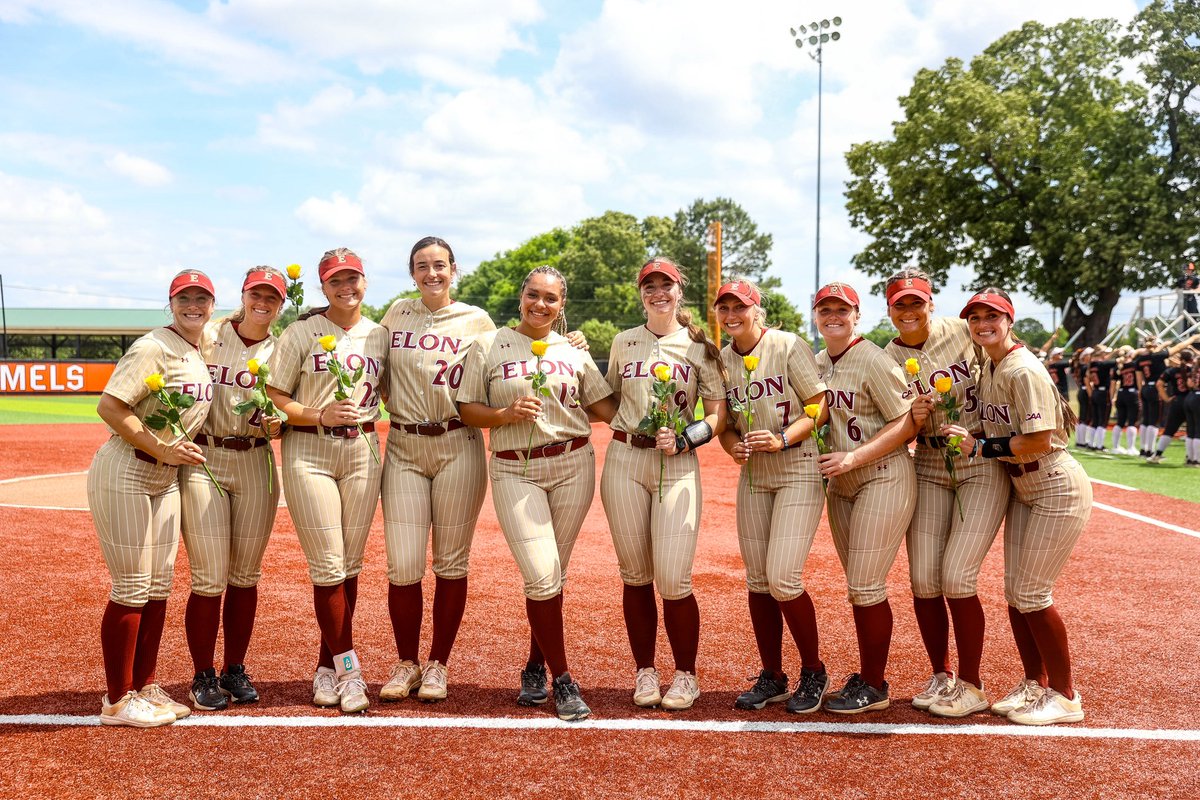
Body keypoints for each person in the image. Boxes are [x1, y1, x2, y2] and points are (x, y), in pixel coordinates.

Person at [457, 266, 617, 721]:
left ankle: (534, 666)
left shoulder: (573, 350)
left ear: (561, 305)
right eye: (533, 295)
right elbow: (467, 410)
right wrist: (504, 414)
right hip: (515, 468)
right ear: (521, 296)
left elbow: (607, 408)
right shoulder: (489, 344)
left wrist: (662, 396)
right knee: (542, 575)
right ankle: (563, 680)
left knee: (553, 576)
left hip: (573, 464)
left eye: (550, 298)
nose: (540, 304)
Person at [942, 288, 1091, 726]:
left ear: (1010, 320)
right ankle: (1034, 683)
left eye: (992, 316)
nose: (982, 324)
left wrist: (981, 447)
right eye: (975, 317)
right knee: (1016, 593)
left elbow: (1040, 439)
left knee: (1032, 593)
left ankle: (1065, 695)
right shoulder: (991, 363)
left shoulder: (1022, 368)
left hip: (1053, 483)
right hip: (1024, 484)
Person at [88, 269, 217, 727]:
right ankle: (117, 700)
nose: (193, 306)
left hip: (166, 478)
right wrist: (161, 448)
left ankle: (144, 686)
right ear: (171, 303)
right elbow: (110, 406)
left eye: (201, 298)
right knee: (131, 586)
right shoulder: (152, 346)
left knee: (159, 586)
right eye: (184, 298)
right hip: (128, 469)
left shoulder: (200, 347)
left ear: (212, 305)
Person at [265, 247, 388, 714]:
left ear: (365, 281)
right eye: (336, 280)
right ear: (322, 287)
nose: (346, 287)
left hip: (362, 449)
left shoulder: (380, 335)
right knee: (328, 566)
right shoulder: (301, 331)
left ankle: (325, 667)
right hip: (309, 450)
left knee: (349, 566)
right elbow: (275, 394)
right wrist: (318, 414)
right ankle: (351, 674)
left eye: (352, 278)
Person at [882, 270, 1010, 717]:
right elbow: (894, 423)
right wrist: (912, 419)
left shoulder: (963, 330)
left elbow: (1006, 356)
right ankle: (942, 674)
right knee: (923, 579)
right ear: (889, 310)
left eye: (916, 302)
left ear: (931, 303)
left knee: (957, 577)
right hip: (928, 460)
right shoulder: (887, 357)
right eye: (900, 304)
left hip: (978, 458)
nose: (909, 311)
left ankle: (972, 684)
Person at [601, 258, 726, 712]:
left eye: (666, 285)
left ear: (679, 290)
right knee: (635, 574)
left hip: (677, 464)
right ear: (641, 293)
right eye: (649, 285)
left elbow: (717, 413)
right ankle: (645, 670)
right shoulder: (624, 341)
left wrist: (688, 438)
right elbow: (610, 398)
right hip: (625, 459)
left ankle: (686, 674)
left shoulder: (699, 345)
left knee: (674, 577)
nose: (658, 292)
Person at [375, 237, 495, 704]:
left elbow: (515, 357)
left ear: (454, 269)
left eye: (440, 265)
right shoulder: (396, 314)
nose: (432, 273)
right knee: (403, 563)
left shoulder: (477, 320)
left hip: (457, 442)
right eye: (422, 266)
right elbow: (369, 362)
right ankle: (407, 662)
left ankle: (438, 664)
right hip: (404, 443)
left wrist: (570, 340)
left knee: (450, 562)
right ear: (411, 272)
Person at [713, 279, 831, 714]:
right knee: (758, 580)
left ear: (755, 309)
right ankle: (773, 675)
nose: (731, 315)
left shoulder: (787, 345)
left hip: (797, 465)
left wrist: (782, 438)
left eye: (739, 307)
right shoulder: (722, 360)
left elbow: (820, 407)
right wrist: (733, 447)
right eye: (724, 308)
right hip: (755, 475)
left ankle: (814, 671)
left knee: (783, 578)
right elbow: (726, 427)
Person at [811, 282, 921, 715]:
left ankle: (874, 685)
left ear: (857, 315)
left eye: (842, 309)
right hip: (842, 484)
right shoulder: (817, 361)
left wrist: (855, 456)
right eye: (825, 310)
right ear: (816, 316)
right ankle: (867, 677)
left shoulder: (874, 359)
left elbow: (907, 423)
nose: (833, 317)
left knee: (866, 584)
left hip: (881, 474)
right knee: (858, 588)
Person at [180, 268, 285, 711]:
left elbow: (288, 409)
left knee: (245, 575)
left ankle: (234, 669)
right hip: (206, 456)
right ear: (243, 295)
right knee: (208, 575)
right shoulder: (210, 334)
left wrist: (279, 423)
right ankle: (203, 675)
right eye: (255, 293)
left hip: (256, 458)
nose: (262, 302)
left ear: (281, 304)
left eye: (272, 296)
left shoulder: (284, 346)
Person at [1149, 349, 1196, 464]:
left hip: (1177, 400)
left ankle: (1157, 454)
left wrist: (1166, 398)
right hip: (1191, 400)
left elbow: (1159, 384)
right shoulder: (1193, 369)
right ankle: (1191, 458)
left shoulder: (1171, 370)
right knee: (1192, 431)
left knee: (1169, 429)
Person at [1084, 345, 1117, 451]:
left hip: (1095, 392)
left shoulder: (1091, 365)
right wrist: (1116, 352)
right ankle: (1099, 445)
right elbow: (1116, 362)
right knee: (1103, 420)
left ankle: (1090, 443)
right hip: (1103, 393)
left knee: (1095, 419)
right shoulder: (1102, 364)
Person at [1111, 346, 1140, 456]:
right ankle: (1131, 448)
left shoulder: (1119, 366)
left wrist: (1112, 397)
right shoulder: (1135, 364)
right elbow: (1139, 380)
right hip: (1132, 394)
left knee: (1120, 421)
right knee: (1132, 421)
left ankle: (1115, 447)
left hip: (1121, 394)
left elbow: (1113, 384)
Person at [1071, 348, 1093, 449]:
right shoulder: (1085, 367)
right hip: (1085, 391)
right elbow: (1086, 381)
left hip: (1081, 390)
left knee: (1083, 416)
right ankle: (1082, 441)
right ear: (1085, 356)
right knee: (1086, 417)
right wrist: (1091, 395)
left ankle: (1080, 441)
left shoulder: (1078, 366)